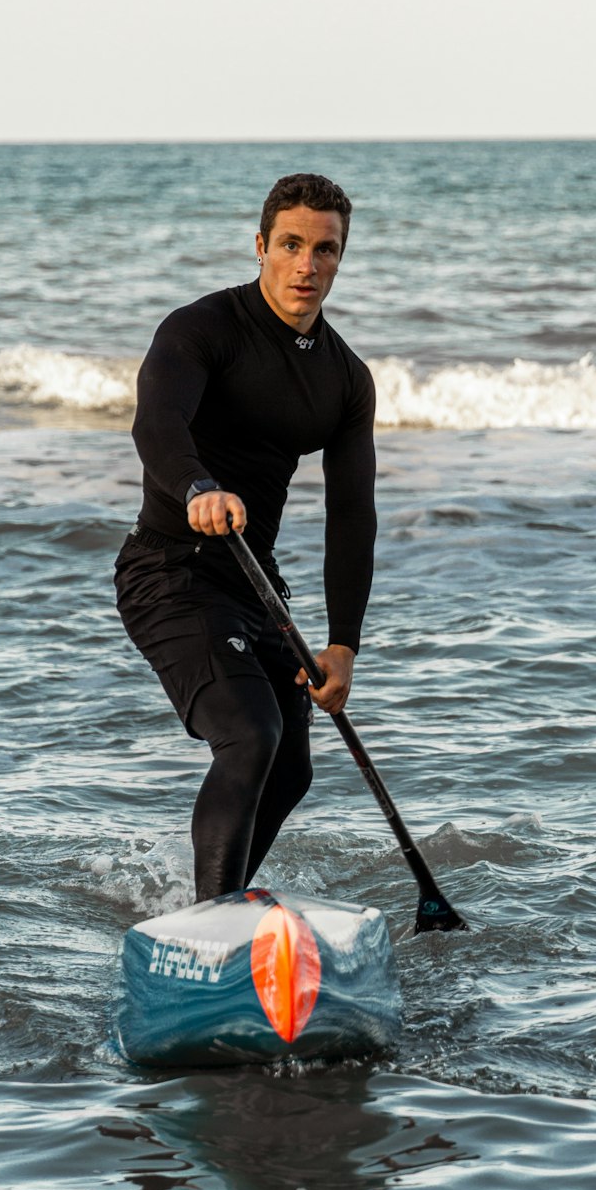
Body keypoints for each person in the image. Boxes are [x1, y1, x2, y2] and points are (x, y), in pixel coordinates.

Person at [114, 173, 377, 903]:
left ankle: (210, 908)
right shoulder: (201, 330)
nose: (308, 265)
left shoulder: (345, 378)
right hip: (169, 572)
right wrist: (198, 486)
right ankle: (212, 924)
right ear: (261, 246)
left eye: (326, 250)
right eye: (291, 245)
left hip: (254, 586)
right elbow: (156, 425)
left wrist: (343, 646)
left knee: (292, 767)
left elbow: (352, 516)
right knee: (251, 736)